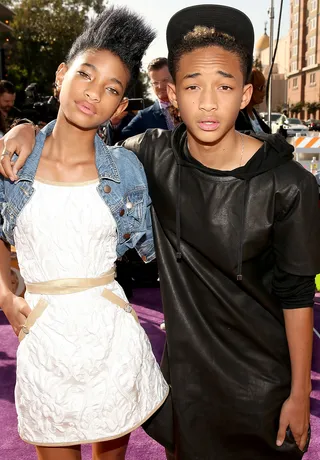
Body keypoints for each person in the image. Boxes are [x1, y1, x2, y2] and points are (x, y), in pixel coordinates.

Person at [1, 4, 320, 460]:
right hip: (185, 384)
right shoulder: (151, 157)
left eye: (225, 86)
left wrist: (296, 392)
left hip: (261, 382)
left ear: (247, 93)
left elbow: (297, 293)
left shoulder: (290, 184)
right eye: (193, 86)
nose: (208, 102)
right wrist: (26, 130)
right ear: (171, 93)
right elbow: (81, 152)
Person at [0, 7, 169, 460]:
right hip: (44, 336)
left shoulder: (127, 170)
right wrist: (4, 293)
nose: (95, 94)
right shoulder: (14, 161)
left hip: (108, 335)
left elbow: (165, 240)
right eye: (86, 76)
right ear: (62, 75)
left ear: (120, 107)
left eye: (112, 89)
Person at [119, 57, 174, 139]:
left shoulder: (190, 106)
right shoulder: (144, 117)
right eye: (155, 83)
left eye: (165, 80)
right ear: (151, 84)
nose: (160, 86)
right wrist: (115, 123)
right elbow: (119, 141)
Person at [235, 67, 271, 134]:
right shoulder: (238, 116)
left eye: (264, 87)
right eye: (260, 88)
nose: (264, 92)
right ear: (249, 89)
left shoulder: (253, 113)